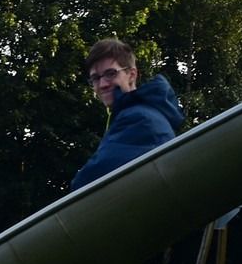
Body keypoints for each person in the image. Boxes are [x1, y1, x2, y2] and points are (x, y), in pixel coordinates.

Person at [71, 38, 185, 189]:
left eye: (110, 74)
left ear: (131, 75)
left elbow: (90, 180)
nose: (102, 84)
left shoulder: (139, 118)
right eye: (96, 78)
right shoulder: (138, 113)